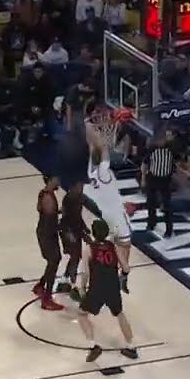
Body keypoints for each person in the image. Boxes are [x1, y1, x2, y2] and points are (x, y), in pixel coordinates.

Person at [83, 104, 134, 292]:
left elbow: (93, 149)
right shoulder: (104, 173)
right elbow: (103, 150)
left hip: (105, 215)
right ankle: (123, 274)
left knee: (104, 247)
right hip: (116, 215)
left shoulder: (91, 172)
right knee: (125, 245)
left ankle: (91, 281)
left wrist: (91, 125)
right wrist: (111, 125)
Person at [77, 219, 139, 363]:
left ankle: (93, 346)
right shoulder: (113, 246)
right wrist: (121, 277)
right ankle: (131, 346)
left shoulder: (89, 249)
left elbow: (85, 273)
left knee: (81, 314)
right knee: (119, 314)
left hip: (97, 287)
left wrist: (82, 289)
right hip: (113, 286)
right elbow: (126, 268)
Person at [33, 175, 66, 311]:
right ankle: (47, 299)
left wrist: (58, 212)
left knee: (53, 261)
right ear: (51, 180)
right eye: (56, 179)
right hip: (47, 234)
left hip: (44, 232)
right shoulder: (48, 197)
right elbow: (50, 220)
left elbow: (40, 209)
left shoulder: (44, 193)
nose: (59, 181)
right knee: (54, 261)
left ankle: (40, 285)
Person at [58, 180, 88, 295]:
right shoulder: (69, 198)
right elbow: (65, 216)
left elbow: (78, 216)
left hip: (76, 229)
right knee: (75, 255)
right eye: (80, 186)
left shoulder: (80, 198)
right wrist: (68, 232)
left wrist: (84, 228)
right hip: (68, 229)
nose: (81, 188)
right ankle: (71, 280)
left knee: (76, 256)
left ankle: (66, 278)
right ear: (73, 186)